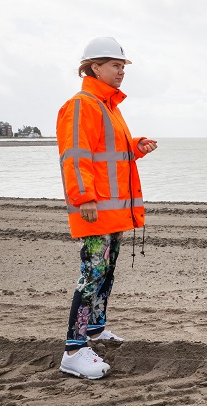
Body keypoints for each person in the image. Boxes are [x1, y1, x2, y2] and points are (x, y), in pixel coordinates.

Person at [56, 37, 158, 379]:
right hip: (95, 209)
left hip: (113, 210)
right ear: (93, 67)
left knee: (107, 271)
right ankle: (73, 349)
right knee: (92, 275)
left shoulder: (109, 107)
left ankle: (96, 329)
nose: (121, 72)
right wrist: (83, 197)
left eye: (123, 66)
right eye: (116, 65)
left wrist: (136, 147)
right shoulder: (83, 104)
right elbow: (75, 154)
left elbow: (108, 152)